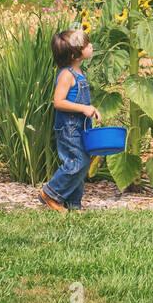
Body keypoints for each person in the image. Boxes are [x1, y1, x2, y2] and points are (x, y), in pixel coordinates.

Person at [40, 26, 100, 211]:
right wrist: (84, 108)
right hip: (69, 127)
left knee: (82, 161)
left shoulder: (79, 73)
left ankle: (73, 203)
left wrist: (91, 110)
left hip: (80, 127)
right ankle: (50, 193)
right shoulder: (67, 75)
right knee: (77, 161)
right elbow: (58, 102)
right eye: (86, 44)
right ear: (75, 55)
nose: (91, 46)